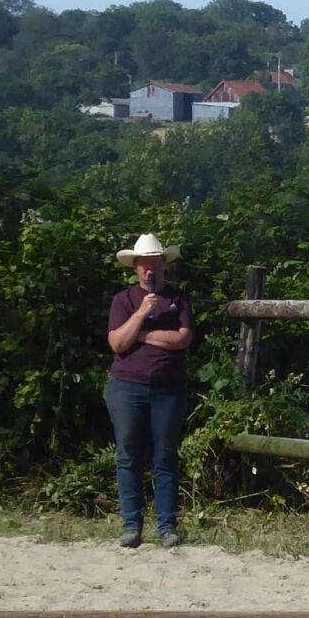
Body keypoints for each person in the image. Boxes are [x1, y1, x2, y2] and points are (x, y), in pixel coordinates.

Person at [105, 233, 193, 549]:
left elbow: (182, 339)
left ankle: (167, 526)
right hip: (127, 388)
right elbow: (117, 343)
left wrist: (141, 335)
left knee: (165, 457)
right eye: (144, 264)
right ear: (136, 268)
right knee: (129, 456)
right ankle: (132, 525)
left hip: (168, 389)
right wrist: (141, 314)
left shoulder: (178, 299)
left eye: (155, 263)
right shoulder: (123, 300)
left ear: (163, 264)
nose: (150, 269)